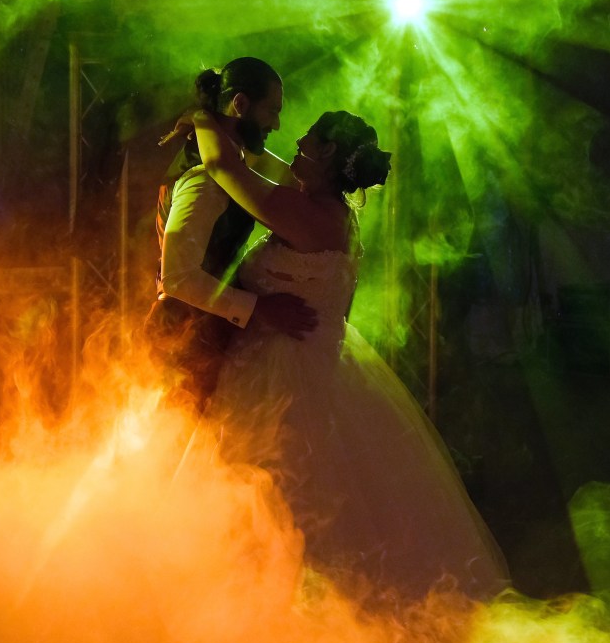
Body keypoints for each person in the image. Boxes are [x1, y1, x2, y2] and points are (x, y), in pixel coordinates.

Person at [185, 107, 509, 600]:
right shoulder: (327, 208)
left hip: (283, 378)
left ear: (328, 151)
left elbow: (224, 168)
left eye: (308, 136)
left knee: (282, 497)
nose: (296, 141)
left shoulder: (309, 215)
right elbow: (263, 164)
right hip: (312, 362)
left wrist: (202, 113)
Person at [146, 57, 316, 409]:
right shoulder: (203, 180)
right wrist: (259, 308)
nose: (276, 124)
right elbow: (178, 277)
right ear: (240, 103)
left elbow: (286, 178)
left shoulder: (228, 159)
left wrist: (203, 118)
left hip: (201, 335)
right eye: (272, 111)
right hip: (185, 343)